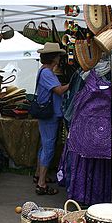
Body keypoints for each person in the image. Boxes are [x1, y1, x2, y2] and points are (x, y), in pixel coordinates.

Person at [33, 42, 69, 195]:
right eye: (58, 56)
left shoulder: (45, 71)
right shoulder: (47, 73)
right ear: (54, 58)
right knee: (48, 147)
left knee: (44, 145)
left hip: (48, 114)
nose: (60, 59)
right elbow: (59, 91)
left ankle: (38, 175)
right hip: (49, 115)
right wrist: (73, 83)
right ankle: (41, 184)